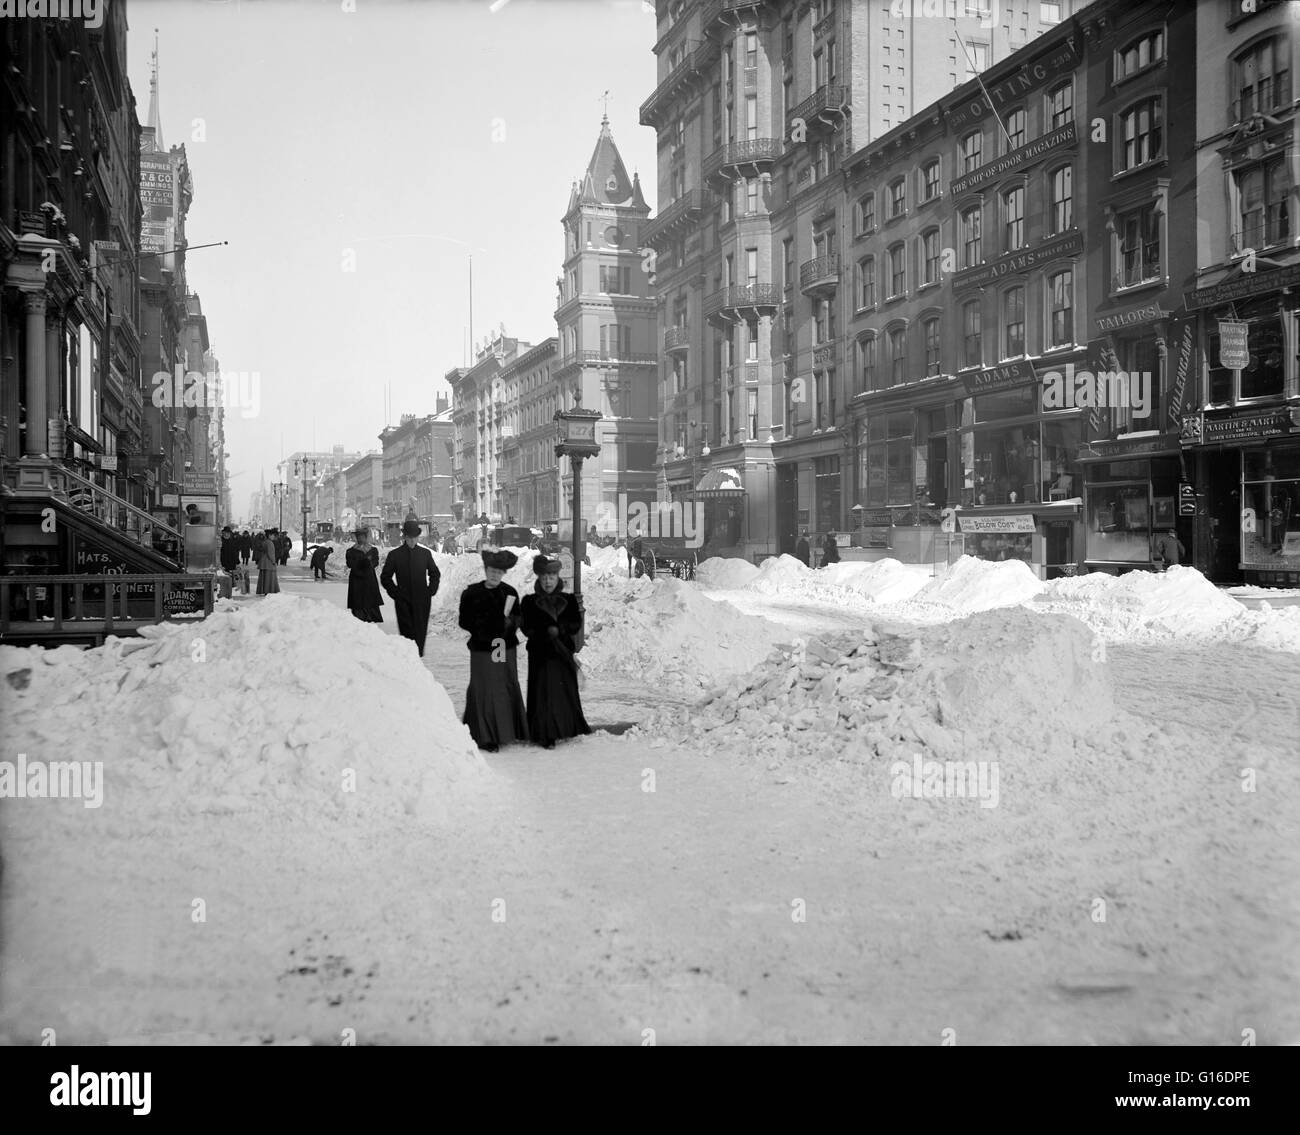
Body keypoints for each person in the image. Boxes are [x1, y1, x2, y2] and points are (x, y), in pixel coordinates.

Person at [459, 548, 528, 752]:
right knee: (483, 688)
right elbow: (464, 621)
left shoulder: (510, 592)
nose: (494, 575)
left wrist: (508, 623)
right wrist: (485, 625)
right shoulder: (471, 593)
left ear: (503, 573)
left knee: (502, 686)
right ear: (485, 569)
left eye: (499, 572)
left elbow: (518, 618)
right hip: (482, 649)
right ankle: (484, 735)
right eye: (491, 570)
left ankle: (507, 731)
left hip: (504, 648)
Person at [519, 555, 591, 750]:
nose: (548, 581)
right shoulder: (529, 602)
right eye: (544, 578)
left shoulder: (568, 600)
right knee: (543, 694)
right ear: (539, 580)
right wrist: (544, 631)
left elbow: (576, 624)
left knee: (563, 692)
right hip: (541, 654)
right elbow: (526, 627)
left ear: (557, 578)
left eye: (551, 577)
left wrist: (561, 629)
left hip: (562, 653)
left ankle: (567, 727)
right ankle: (545, 734)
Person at [380, 519, 441, 656]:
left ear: (418, 537)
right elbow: (385, 577)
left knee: (420, 632)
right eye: (409, 538)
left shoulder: (425, 554)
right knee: (407, 634)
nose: (412, 541)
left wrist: (431, 590)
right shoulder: (395, 555)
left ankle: (419, 659)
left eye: (415, 538)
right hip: (403, 601)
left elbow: (434, 573)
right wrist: (395, 593)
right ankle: (409, 661)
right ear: (405, 537)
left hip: (422, 600)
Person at [345, 526, 384, 622]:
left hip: (369, 578)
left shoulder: (373, 550)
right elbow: (350, 563)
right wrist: (360, 563)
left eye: (362, 536)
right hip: (356, 579)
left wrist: (368, 564)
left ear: (366, 537)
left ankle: (371, 616)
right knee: (357, 600)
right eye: (359, 536)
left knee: (370, 598)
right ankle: (359, 617)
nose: (360, 538)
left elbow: (375, 562)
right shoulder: (351, 551)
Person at [256, 529, 280, 595]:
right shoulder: (270, 543)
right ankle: (269, 590)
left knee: (264, 577)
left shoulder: (265, 541)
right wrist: (274, 561)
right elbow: (271, 553)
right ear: (269, 535)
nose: (273, 536)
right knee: (269, 577)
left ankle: (264, 590)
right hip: (268, 562)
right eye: (272, 535)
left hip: (264, 562)